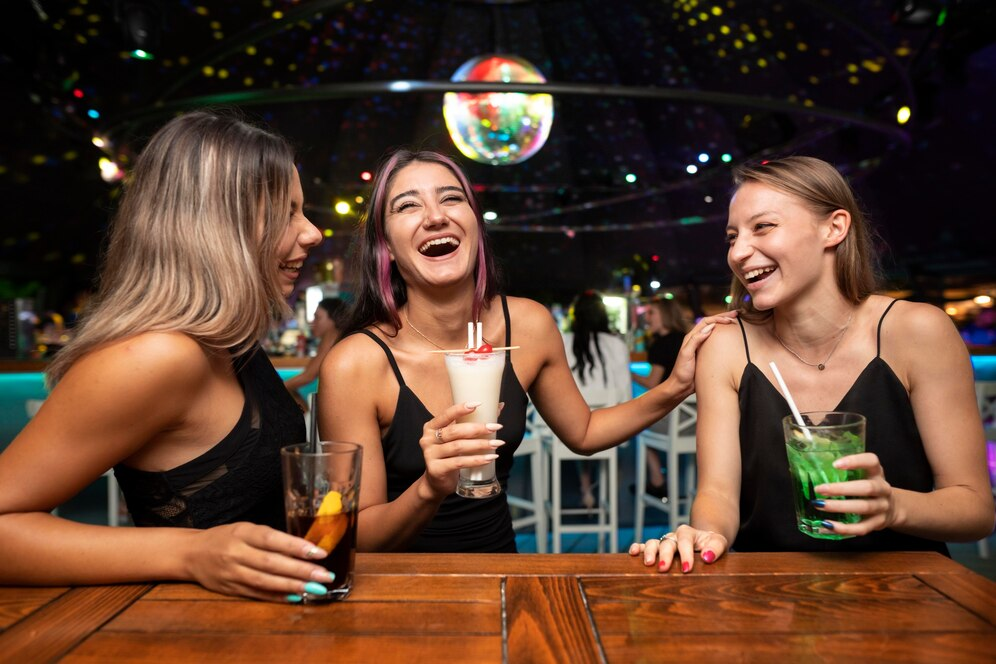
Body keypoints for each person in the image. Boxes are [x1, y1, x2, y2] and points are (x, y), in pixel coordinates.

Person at [318, 148, 737, 553]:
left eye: (451, 198)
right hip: (399, 595)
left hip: (501, 571)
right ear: (386, 246)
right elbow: (353, 535)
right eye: (408, 206)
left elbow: (585, 433)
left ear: (475, 227)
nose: (436, 216)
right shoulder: (355, 364)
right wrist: (430, 489)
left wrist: (676, 387)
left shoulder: (528, 325)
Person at [0, 111, 332, 603]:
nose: (312, 233)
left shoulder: (230, 343)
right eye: (286, 213)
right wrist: (189, 553)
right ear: (218, 225)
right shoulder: (158, 356)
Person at [630, 156, 995, 573]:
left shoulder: (918, 332)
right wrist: (706, 534)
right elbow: (718, 495)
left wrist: (894, 507)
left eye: (762, 227)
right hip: (768, 595)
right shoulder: (727, 346)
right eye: (732, 237)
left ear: (834, 227)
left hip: (907, 592)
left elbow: (975, 510)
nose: (739, 251)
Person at [562, 291, 633, 509]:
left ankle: (585, 489)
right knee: (604, 432)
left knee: (577, 430)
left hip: (564, 434)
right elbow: (624, 394)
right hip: (607, 430)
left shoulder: (563, 341)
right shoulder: (616, 344)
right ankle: (608, 498)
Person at [631, 297, 691, 498]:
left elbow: (652, 383)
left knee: (634, 425)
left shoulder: (660, 344)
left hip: (676, 420)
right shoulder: (687, 339)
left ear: (664, 315)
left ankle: (657, 480)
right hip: (696, 420)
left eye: (651, 313)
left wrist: (627, 372)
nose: (647, 318)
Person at [284, 297, 347, 409]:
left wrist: (274, 389)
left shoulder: (332, 342)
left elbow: (308, 377)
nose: (313, 322)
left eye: (317, 318)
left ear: (333, 320)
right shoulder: (329, 341)